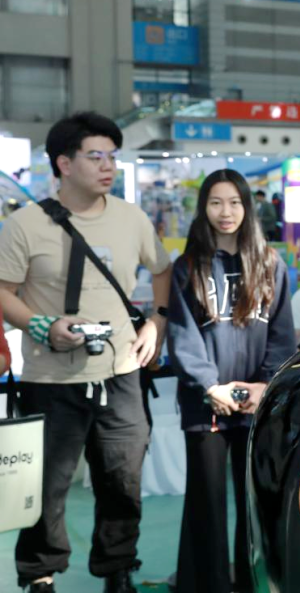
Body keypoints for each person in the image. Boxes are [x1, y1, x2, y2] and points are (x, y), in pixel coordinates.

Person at [0, 112, 173, 593]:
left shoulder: (132, 218)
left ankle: (118, 570)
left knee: (123, 481)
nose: (108, 166)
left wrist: (156, 322)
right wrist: (42, 325)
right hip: (51, 379)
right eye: (95, 156)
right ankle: (40, 575)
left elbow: (163, 270)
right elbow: (3, 290)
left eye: (112, 157)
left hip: (121, 373)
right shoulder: (25, 225)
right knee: (48, 487)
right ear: (64, 163)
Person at [167, 169, 294, 593]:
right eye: (216, 202)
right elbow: (182, 335)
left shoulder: (271, 264)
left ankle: (248, 583)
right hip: (206, 404)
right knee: (206, 503)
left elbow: (281, 334)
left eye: (235, 202)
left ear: (247, 207)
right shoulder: (187, 267)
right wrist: (209, 386)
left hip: (257, 404)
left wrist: (265, 386)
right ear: (204, 207)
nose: (226, 212)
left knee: (254, 503)